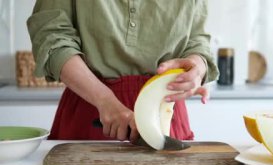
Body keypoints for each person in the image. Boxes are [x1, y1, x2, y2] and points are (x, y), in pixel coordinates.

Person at [27, 0, 219, 144]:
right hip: (90, 107)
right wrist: (104, 100)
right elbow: (51, 36)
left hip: (166, 113)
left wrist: (197, 65)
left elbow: (197, 38)